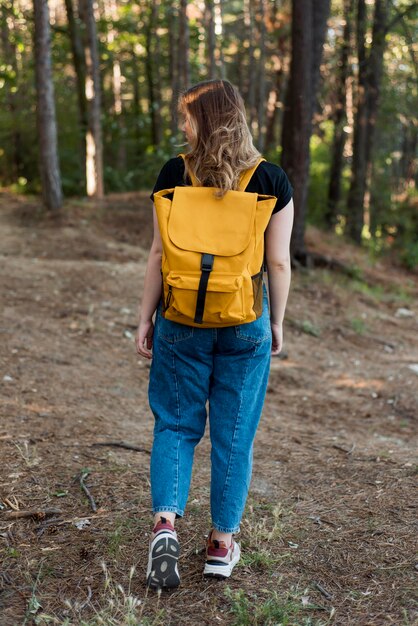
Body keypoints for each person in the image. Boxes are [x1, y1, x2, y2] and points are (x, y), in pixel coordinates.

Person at [136, 79, 294, 590]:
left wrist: (145, 317)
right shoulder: (270, 179)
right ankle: (221, 546)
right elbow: (279, 262)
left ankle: (165, 527)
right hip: (244, 318)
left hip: (181, 317)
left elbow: (159, 256)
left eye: (188, 116)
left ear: (201, 120)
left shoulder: (172, 174)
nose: (183, 125)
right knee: (233, 435)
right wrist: (276, 322)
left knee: (176, 425)